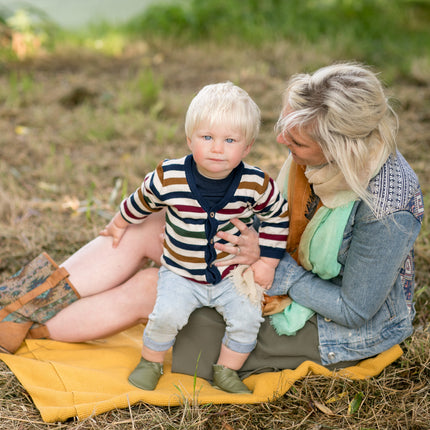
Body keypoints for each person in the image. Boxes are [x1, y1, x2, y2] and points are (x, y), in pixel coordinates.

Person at [0, 63, 424, 389]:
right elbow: (269, 215)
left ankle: (39, 328)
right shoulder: (315, 161)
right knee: (149, 227)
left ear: (338, 149)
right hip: (271, 262)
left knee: (157, 287)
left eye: (296, 142)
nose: (281, 143)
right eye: (283, 128)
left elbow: (355, 309)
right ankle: (20, 304)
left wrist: (269, 261)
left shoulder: (387, 207)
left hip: (326, 325)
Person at [99, 82, 289, 393]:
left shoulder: (255, 183)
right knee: (166, 314)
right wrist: (120, 222)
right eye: (207, 138)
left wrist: (267, 262)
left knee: (247, 319)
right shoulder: (169, 177)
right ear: (190, 139)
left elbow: (277, 215)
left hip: (231, 275)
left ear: (247, 146)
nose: (217, 148)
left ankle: (227, 370)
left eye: (230, 140)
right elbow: (141, 200)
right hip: (181, 273)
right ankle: (151, 361)